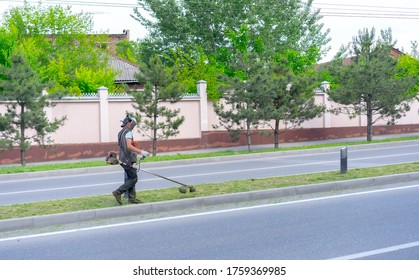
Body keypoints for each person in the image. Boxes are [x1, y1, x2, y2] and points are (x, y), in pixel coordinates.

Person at [112, 115, 149, 205]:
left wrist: (133, 144)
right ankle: (118, 192)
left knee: (131, 178)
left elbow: (124, 145)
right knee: (134, 179)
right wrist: (141, 152)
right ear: (129, 123)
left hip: (123, 158)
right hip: (128, 159)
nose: (134, 126)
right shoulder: (128, 132)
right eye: (133, 124)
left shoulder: (121, 132)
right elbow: (128, 146)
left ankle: (132, 199)